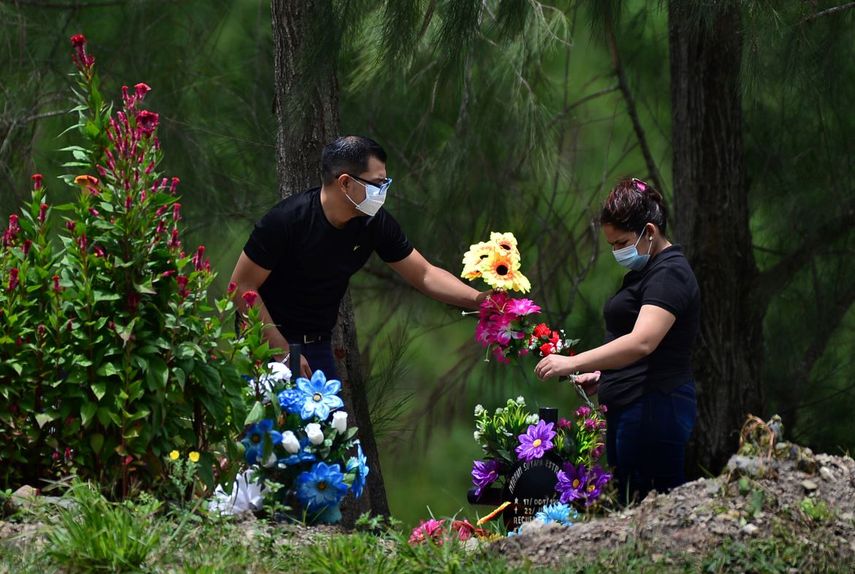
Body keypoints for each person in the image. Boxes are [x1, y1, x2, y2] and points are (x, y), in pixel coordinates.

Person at [230, 135, 489, 379]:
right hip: (268, 345)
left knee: (332, 427)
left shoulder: (373, 223)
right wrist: (283, 351)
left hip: (318, 345)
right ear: (345, 182)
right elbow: (240, 287)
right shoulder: (286, 221)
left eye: (386, 183)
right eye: (377, 184)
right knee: (271, 427)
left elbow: (424, 273)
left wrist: (480, 301)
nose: (383, 191)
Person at [534, 177, 700, 504]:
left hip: (655, 407)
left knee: (651, 510)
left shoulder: (670, 273)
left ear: (649, 232)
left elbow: (642, 342)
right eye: (611, 245)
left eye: (621, 242)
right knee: (629, 504)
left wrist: (574, 361)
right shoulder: (646, 272)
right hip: (631, 407)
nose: (616, 252)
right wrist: (605, 374)